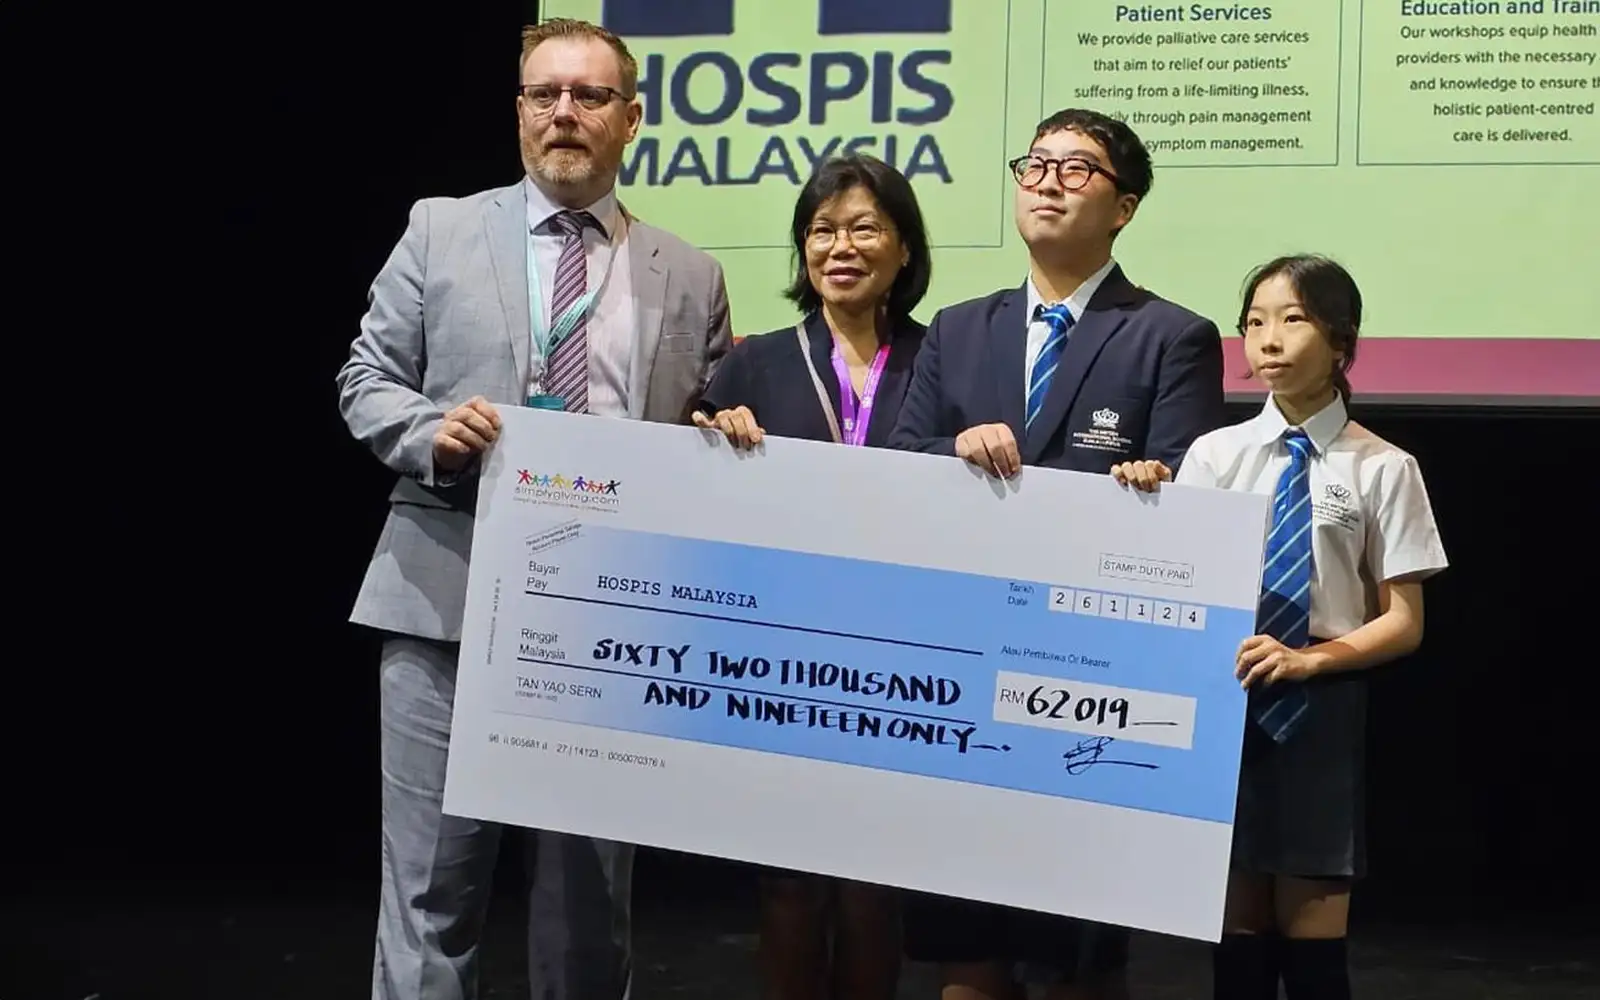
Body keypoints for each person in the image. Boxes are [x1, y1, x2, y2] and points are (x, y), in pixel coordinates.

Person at [335, 17, 733, 1000]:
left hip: (606, 624)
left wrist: (724, 436)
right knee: (430, 896)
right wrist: (431, 431)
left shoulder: (690, 273)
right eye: (544, 93)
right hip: (446, 600)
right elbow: (366, 379)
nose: (564, 113)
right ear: (518, 111)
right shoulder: (441, 228)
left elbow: (706, 423)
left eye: (589, 95)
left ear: (630, 119)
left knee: (589, 911)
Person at [888, 108, 1227, 1000]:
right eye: (1034, 165)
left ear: (1125, 207)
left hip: (1090, 670)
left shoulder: (1171, 335)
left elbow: (1189, 497)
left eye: (1077, 170)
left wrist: (1150, 486)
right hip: (962, 663)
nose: (1046, 183)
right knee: (966, 948)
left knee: (1075, 953)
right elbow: (903, 463)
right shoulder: (958, 327)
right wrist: (954, 451)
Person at [1111, 254, 1449, 1000]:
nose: (1268, 339)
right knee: (1238, 940)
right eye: (1255, 322)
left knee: (1314, 944)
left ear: (1341, 341)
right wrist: (1141, 501)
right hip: (1227, 699)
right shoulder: (1213, 454)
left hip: (1322, 707)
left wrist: (1309, 662)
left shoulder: (1384, 467)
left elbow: (1403, 622)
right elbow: (1175, 584)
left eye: (1293, 319)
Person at [691, 151, 933, 1000]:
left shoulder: (942, 359)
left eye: (866, 228)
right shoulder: (756, 362)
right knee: (788, 879)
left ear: (905, 248)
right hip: (784, 648)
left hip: (905, 650)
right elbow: (690, 484)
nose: (842, 247)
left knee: (874, 882)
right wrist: (713, 435)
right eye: (822, 231)